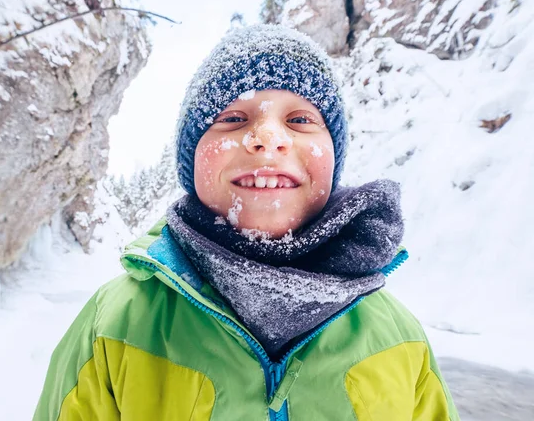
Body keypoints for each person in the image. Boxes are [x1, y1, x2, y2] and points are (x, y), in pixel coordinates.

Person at [34, 24, 459, 420]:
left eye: (299, 120)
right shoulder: (116, 324)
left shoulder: (400, 338)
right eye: (233, 119)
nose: (268, 138)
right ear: (191, 160)